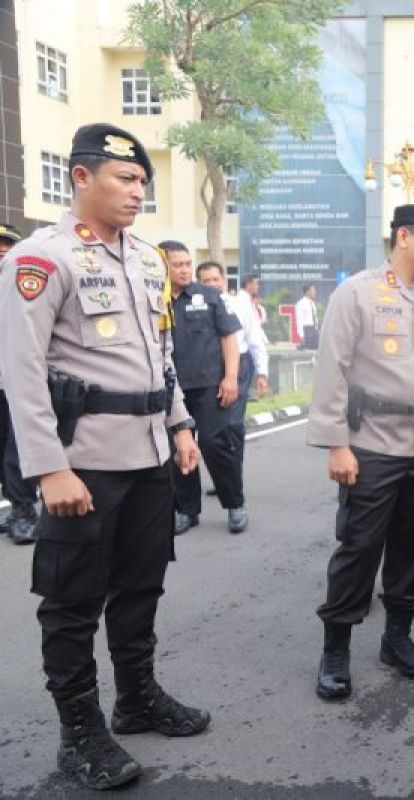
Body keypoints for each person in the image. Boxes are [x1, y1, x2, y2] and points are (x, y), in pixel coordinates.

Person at [0, 122, 209, 790]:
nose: (136, 191)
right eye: (125, 178)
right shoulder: (41, 258)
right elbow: (22, 371)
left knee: (142, 583)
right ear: (81, 178)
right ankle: (80, 732)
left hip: (148, 454)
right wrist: (48, 468)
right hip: (82, 462)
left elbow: (161, 356)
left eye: (143, 181)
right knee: (71, 600)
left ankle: (138, 697)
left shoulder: (148, 259)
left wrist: (179, 424)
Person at [307, 203, 414, 701]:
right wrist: (337, 444)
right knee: (359, 547)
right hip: (373, 443)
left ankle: (397, 636)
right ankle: (336, 647)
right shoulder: (357, 293)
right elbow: (331, 371)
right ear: (403, 236)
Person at [163, 242, 246, 535]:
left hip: (210, 386)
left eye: (187, 263)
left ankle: (235, 504)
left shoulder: (208, 296)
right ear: (163, 267)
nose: (185, 269)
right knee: (179, 452)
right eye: (178, 264)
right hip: (172, 392)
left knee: (214, 444)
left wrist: (231, 377)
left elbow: (229, 338)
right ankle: (186, 509)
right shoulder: (154, 300)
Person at [196, 261, 269, 485]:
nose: (211, 284)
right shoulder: (194, 308)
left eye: (215, 279)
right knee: (212, 431)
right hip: (209, 370)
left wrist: (262, 373)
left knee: (232, 425)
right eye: (205, 280)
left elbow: (255, 340)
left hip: (240, 368)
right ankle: (223, 479)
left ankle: (232, 481)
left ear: (224, 280)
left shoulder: (240, 305)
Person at [0, 222, 41, 544]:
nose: (2, 249)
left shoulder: (29, 284)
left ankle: (24, 510)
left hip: (17, 379)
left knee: (18, 449)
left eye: (7, 244)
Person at [296, 284, 319, 350]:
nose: (315, 292)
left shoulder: (313, 303)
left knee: (316, 350)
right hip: (307, 330)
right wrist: (302, 335)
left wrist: (317, 329)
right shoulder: (300, 304)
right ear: (307, 292)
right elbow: (299, 320)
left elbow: (315, 317)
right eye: (313, 291)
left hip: (314, 330)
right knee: (308, 351)